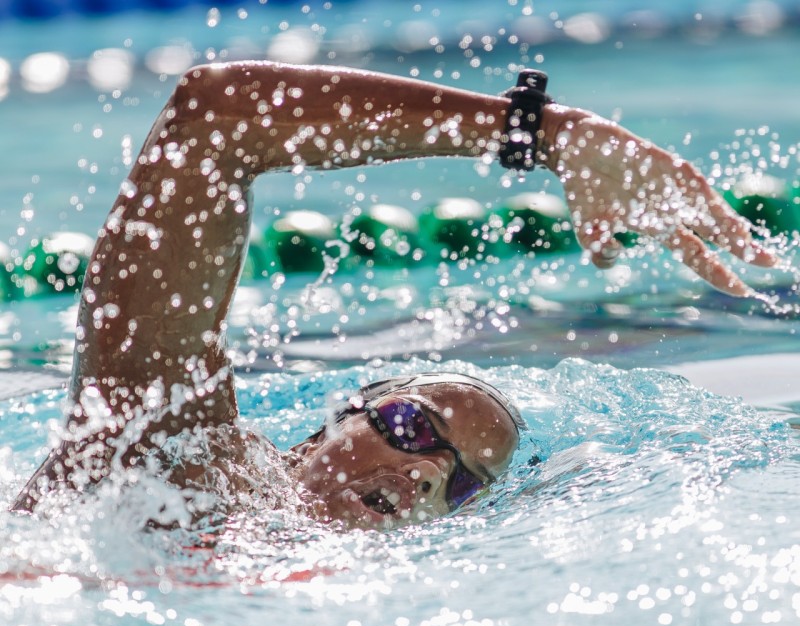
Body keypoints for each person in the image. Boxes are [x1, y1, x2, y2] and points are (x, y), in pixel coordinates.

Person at [11, 62, 776, 529]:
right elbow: (214, 118)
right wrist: (545, 134)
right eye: (413, 426)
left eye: (464, 481)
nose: (427, 473)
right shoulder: (175, 459)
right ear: (321, 431)